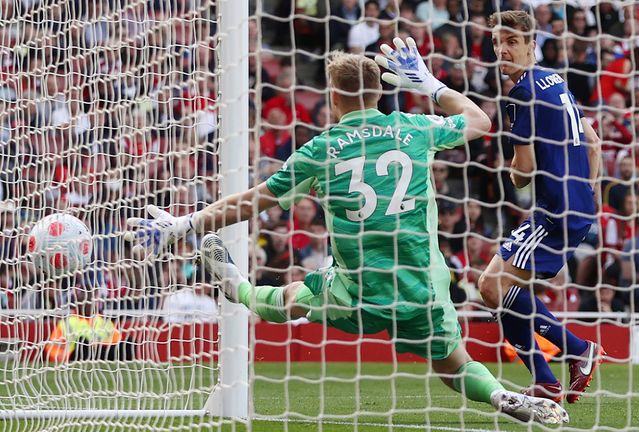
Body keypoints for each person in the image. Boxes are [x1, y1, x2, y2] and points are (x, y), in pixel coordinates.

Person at [125, 41, 568, 425]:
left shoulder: (319, 151)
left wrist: (185, 223)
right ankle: (498, 394)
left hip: (356, 292)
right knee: (453, 366)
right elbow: (480, 122)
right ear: (380, 92)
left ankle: (235, 285)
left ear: (333, 96)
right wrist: (428, 84)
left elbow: (250, 201)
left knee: (290, 298)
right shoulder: (414, 129)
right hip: (421, 289)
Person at [476, 10, 603, 404]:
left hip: (555, 211)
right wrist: (588, 189)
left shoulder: (523, 93)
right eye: (498, 42)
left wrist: (512, 173)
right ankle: (546, 380)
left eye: (512, 42)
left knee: (493, 286)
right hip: (572, 206)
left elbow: (524, 171)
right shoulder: (556, 81)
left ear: (533, 45)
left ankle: (579, 350)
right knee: (495, 287)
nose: (502, 50)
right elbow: (594, 141)